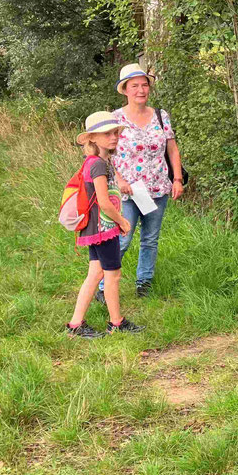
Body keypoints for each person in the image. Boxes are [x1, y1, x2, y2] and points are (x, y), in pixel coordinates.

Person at [104, 63, 184, 301]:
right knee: (123, 238)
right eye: (134, 86)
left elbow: (172, 148)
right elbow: (105, 153)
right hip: (127, 192)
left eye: (144, 85)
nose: (141, 90)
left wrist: (177, 179)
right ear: (125, 90)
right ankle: (102, 285)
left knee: (150, 238)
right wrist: (118, 180)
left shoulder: (161, 115)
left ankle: (144, 283)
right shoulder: (115, 119)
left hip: (158, 188)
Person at [67, 112, 144, 337]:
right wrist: (122, 222)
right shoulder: (98, 165)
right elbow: (104, 203)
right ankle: (116, 323)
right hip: (103, 229)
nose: (113, 137)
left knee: (96, 274)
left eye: (115, 133)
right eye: (106, 134)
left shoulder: (98, 162)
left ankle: (75, 324)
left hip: (95, 229)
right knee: (113, 275)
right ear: (93, 138)